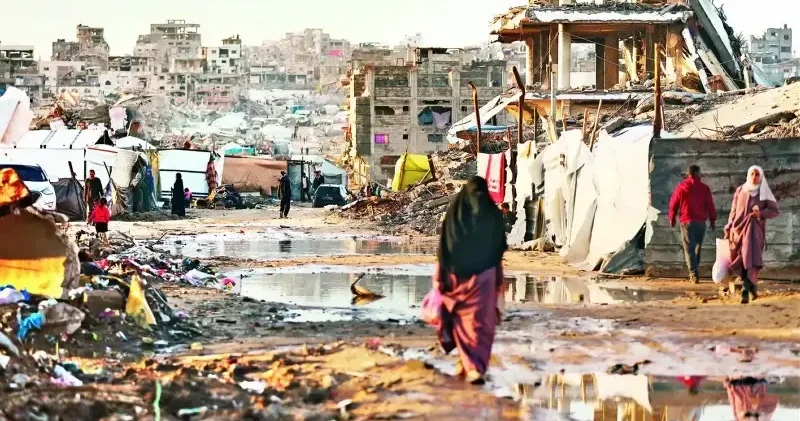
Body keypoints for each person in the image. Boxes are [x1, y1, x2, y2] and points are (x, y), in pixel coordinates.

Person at [433, 176, 507, 384]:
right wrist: (499, 282)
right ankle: (472, 366)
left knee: (465, 325)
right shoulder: (491, 213)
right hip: (483, 278)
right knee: (480, 326)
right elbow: (498, 250)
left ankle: (472, 366)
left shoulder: (455, 216)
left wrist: (440, 279)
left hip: (459, 278)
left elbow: (444, 249)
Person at [724, 166, 780, 304]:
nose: (754, 177)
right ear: (748, 175)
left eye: (757, 174)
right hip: (737, 231)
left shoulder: (764, 192)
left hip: (754, 231)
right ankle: (752, 287)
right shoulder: (740, 190)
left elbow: (774, 211)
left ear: (761, 177)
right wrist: (729, 225)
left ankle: (744, 289)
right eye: (752, 174)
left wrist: (760, 214)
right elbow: (733, 210)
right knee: (739, 258)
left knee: (749, 256)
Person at [668, 165, 717, 283]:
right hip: (700, 222)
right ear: (696, 173)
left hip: (687, 221)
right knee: (697, 248)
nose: (701, 174)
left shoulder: (681, 187)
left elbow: (674, 203)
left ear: (689, 174)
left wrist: (672, 217)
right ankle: (695, 272)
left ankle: (693, 274)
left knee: (689, 248)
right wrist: (712, 220)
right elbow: (710, 205)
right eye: (700, 172)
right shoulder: (704, 188)